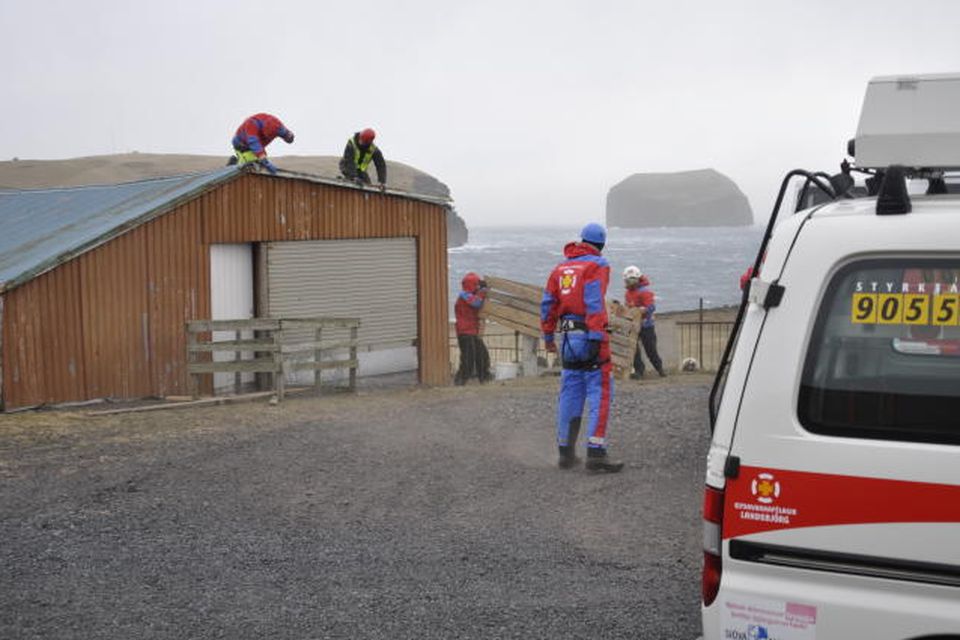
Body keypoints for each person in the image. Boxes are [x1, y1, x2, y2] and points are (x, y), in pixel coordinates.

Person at [540, 223, 623, 473]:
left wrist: (548, 337)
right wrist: (598, 336)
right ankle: (596, 453)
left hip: (566, 339)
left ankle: (565, 453)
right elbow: (594, 301)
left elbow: (548, 304)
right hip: (589, 336)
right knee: (600, 390)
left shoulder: (561, 268)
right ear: (601, 244)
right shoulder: (597, 265)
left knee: (570, 392)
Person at [623, 265, 666, 379]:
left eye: (631, 280)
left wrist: (643, 310)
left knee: (650, 349)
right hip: (634, 325)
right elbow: (628, 307)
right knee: (634, 350)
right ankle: (639, 371)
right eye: (627, 280)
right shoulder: (628, 294)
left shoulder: (645, 292)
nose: (629, 282)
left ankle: (660, 369)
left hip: (646, 325)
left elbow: (651, 307)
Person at [454, 272, 492, 385]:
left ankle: (484, 377)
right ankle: (461, 380)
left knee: (482, 355)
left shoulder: (468, 295)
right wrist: (482, 292)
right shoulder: (465, 296)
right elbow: (476, 303)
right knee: (468, 359)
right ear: (471, 285)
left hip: (471, 331)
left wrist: (481, 291)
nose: (478, 287)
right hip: (465, 332)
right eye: (476, 284)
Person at [227, 113, 295, 174]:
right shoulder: (252, 124)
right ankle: (233, 165)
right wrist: (265, 161)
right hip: (242, 144)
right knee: (249, 165)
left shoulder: (277, 126)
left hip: (258, 144)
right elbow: (254, 144)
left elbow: (287, 134)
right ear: (264, 129)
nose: (267, 137)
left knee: (260, 163)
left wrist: (289, 137)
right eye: (266, 135)